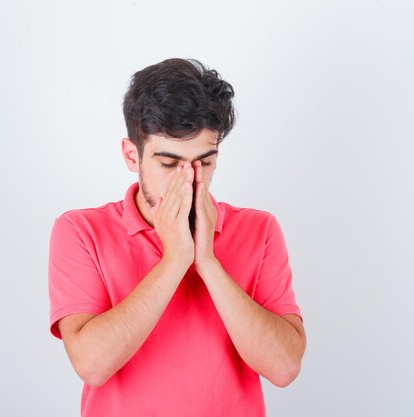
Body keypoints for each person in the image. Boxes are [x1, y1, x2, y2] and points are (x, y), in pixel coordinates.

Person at [48, 58, 306, 417]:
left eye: (205, 161)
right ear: (130, 154)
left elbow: (284, 368)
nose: (189, 179)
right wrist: (174, 260)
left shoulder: (259, 230)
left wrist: (208, 263)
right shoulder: (80, 231)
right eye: (169, 164)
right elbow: (92, 363)